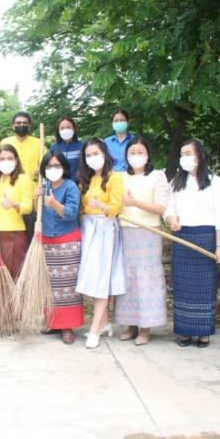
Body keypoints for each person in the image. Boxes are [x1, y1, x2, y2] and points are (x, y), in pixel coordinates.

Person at [164, 140, 220, 348]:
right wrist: (171, 219)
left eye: (188, 153)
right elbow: (168, 208)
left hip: (206, 237)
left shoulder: (214, 181)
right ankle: (184, 331)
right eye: (182, 153)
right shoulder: (176, 182)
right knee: (183, 286)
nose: (184, 157)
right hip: (182, 237)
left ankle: (203, 332)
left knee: (204, 286)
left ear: (199, 156)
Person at [114, 137, 169, 344]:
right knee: (128, 279)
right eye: (132, 152)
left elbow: (161, 208)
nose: (136, 156)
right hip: (125, 232)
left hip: (148, 233)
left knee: (146, 279)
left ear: (147, 154)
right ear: (126, 156)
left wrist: (135, 202)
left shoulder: (157, 176)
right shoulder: (119, 177)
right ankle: (130, 325)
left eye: (140, 152)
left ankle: (145, 328)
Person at [76, 138, 126, 349]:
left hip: (105, 228)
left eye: (96, 153)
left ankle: (95, 329)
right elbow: (81, 207)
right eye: (88, 155)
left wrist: (102, 206)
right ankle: (104, 322)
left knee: (101, 278)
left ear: (104, 154)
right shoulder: (85, 179)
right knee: (90, 276)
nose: (92, 158)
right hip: (88, 228)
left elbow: (116, 207)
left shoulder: (115, 177)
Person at [38, 150, 84, 342]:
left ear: (64, 167)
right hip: (47, 240)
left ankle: (68, 327)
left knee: (67, 287)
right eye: (49, 166)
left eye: (57, 166)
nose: (53, 169)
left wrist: (55, 203)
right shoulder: (43, 186)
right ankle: (53, 323)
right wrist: (36, 197)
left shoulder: (71, 186)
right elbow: (37, 213)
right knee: (50, 286)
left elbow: (72, 213)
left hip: (67, 241)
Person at [0, 144, 33, 284]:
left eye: (10, 158)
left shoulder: (24, 178)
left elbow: (28, 206)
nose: (6, 161)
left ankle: (14, 305)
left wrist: (14, 204)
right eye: (2, 159)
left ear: (16, 160)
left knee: (14, 272)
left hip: (15, 231)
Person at [2, 111, 43, 240]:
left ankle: (31, 259)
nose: (22, 125)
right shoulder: (5, 142)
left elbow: (46, 164)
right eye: (18, 123)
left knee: (31, 232)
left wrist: (40, 169)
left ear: (29, 126)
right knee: (13, 235)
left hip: (32, 196)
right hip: (10, 195)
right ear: (13, 126)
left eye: (25, 123)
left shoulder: (38, 143)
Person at [51, 116, 83, 180]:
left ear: (74, 129)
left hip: (78, 185)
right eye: (62, 128)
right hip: (59, 184)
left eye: (68, 127)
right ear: (58, 131)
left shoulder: (81, 146)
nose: (65, 130)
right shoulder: (54, 147)